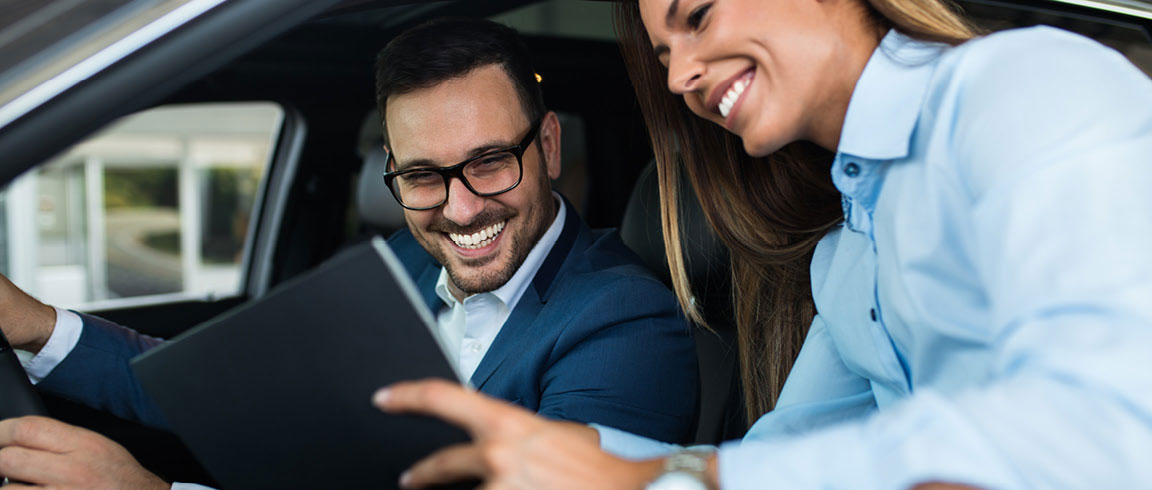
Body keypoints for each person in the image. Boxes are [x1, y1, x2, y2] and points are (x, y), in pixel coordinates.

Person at [366, 0, 1152, 489]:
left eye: (698, 15)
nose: (679, 79)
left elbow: (1101, 425)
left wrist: (668, 479)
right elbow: (778, 455)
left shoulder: (1024, 90)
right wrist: (563, 453)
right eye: (665, 55)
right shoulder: (846, 256)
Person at [0, 18, 698, 488]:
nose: (460, 210)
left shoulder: (626, 325)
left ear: (548, 146)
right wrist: (38, 325)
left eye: (488, 163)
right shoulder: (404, 260)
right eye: (423, 177)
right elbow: (229, 388)